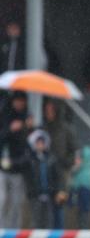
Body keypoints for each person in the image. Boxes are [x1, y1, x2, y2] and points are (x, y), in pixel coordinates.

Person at [42, 98, 78, 229]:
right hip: (46, 169)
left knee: (60, 204)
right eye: (46, 110)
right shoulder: (44, 128)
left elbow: (73, 149)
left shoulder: (65, 129)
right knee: (47, 205)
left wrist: (65, 162)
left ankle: (59, 233)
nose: (48, 113)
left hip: (62, 170)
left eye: (51, 110)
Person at [0, 92, 32, 229]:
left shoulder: (28, 118)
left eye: (22, 101)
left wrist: (27, 127)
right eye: (17, 101)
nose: (19, 104)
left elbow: (30, 146)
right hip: (2, 167)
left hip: (18, 168)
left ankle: (14, 232)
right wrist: (10, 129)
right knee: (2, 200)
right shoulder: (4, 115)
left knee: (17, 203)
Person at [24, 130, 64, 229]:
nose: (40, 145)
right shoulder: (30, 159)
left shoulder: (51, 158)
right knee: (36, 221)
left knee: (49, 221)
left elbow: (57, 177)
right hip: (35, 195)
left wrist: (58, 190)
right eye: (38, 143)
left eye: (42, 143)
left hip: (49, 194)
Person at [68, 145, 90, 230]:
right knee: (82, 214)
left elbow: (75, 185)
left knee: (84, 214)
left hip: (83, 193)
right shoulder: (83, 171)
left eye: (79, 159)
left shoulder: (84, 173)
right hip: (82, 194)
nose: (76, 161)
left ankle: (83, 227)